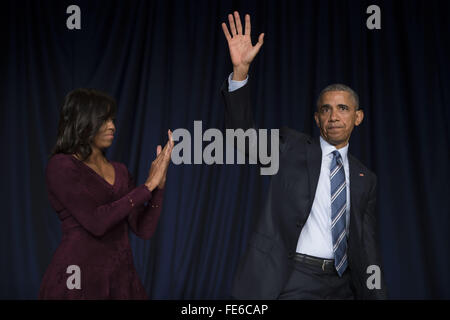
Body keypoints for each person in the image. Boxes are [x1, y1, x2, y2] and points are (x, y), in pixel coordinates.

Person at [221, 12, 387, 299]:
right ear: (316, 118)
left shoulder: (366, 179)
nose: (334, 116)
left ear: (358, 117)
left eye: (343, 109)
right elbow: (243, 137)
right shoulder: (290, 147)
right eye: (326, 109)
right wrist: (240, 73)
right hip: (295, 278)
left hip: (342, 285)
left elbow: (367, 245)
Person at [38, 88, 174, 299]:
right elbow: (96, 222)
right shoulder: (61, 166)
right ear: (83, 122)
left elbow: (143, 229)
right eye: (104, 120)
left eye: (112, 119)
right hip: (78, 278)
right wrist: (147, 187)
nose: (112, 126)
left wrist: (158, 188)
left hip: (121, 279)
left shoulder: (120, 171)